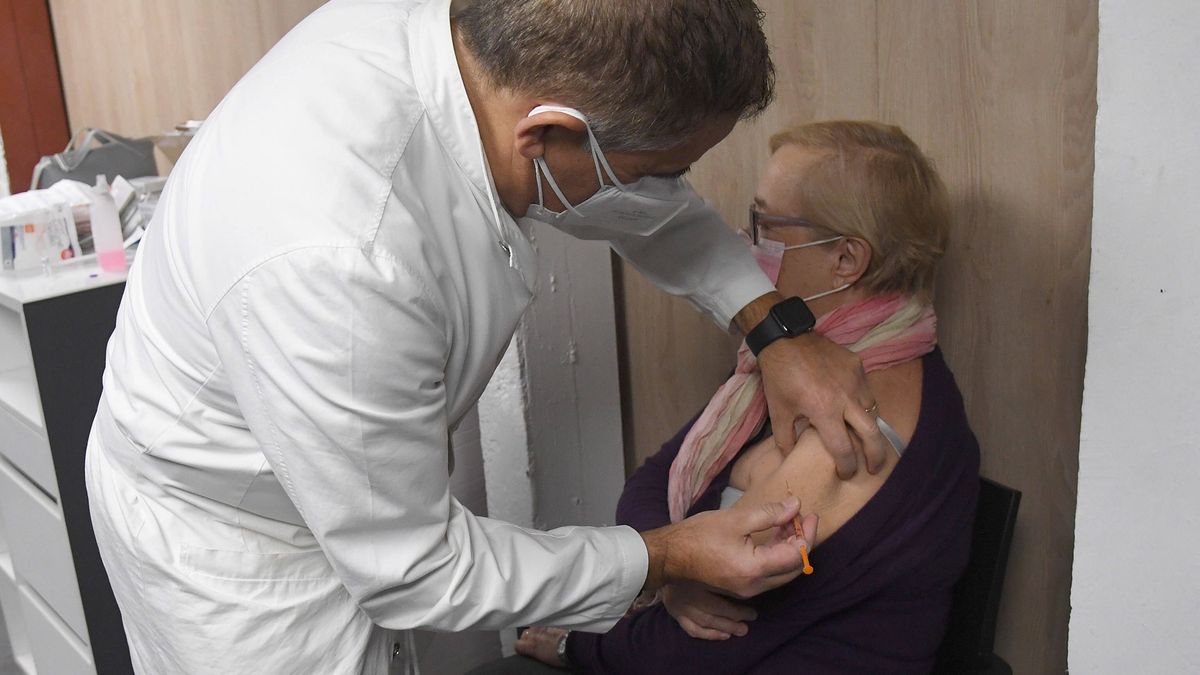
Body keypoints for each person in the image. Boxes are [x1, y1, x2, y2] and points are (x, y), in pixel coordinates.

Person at [83, 2, 891, 674]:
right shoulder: (342, 256)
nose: (661, 194)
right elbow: (415, 568)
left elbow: (630, 195)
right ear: (545, 135)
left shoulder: (490, 54)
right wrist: (664, 558)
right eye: (658, 172)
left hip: (339, 460)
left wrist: (775, 326)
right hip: (238, 546)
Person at [509, 121, 982, 674]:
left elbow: (712, 641)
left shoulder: (852, 432)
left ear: (846, 259)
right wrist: (676, 568)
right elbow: (653, 478)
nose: (743, 240)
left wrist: (574, 645)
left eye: (763, 223)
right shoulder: (800, 364)